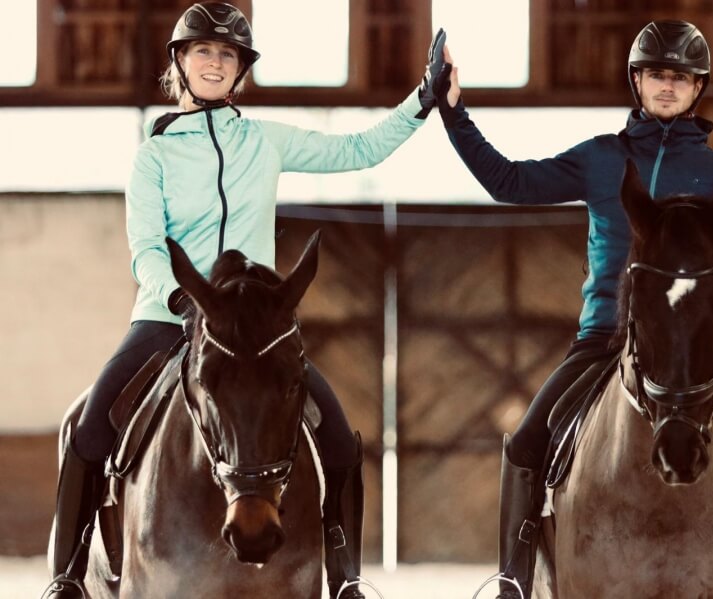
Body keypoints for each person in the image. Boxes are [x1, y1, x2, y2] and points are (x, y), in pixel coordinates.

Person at [41, 4, 448, 599]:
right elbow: (146, 249)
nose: (214, 62)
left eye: (227, 54)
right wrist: (181, 296)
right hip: (169, 315)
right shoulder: (153, 155)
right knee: (87, 425)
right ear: (180, 63)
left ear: (240, 71)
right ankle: (67, 577)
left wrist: (423, 99)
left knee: (337, 438)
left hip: (257, 327)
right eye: (203, 51)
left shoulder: (265, 139)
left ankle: (345, 579)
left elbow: (357, 150)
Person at [437, 20, 713, 599]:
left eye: (679, 78)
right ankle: (513, 579)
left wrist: (696, 321)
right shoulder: (603, 159)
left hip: (690, 351)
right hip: (602, 337)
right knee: (527, 440)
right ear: (637, 79)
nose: (666, 87)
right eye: (656, 74)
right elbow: (508, 180)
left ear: (697, 87)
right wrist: (454, 112)